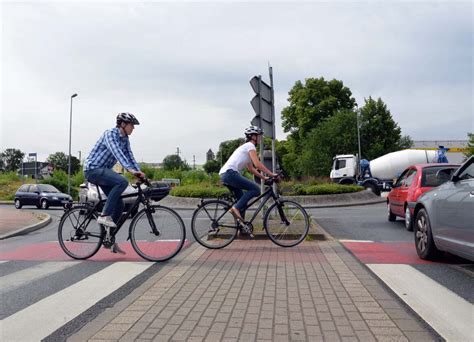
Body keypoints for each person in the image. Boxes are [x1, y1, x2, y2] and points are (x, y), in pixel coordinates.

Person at [84, 112, 145, 253]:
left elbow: (130, 156)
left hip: (103, 171)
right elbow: (117, 152)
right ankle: (104, 215)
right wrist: (130, 171)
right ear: (123, 124)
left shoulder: (125, 139)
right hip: (93, 169)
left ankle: (109, 239)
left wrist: (139, 172)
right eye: (132, 125)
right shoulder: (110, 134)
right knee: (122, 182)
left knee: (119, 205)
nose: (133, 128)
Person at [219, 126, 277, 233]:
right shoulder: (250, 146)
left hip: (226, 174)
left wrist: (264, 177)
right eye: (259, 135)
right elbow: (258, 164)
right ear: (253, 136)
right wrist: (272, 174)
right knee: (255, 189)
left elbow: (251, 168)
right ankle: (235, 208)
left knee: (242, 202)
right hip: (230, 173)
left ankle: (241, 228)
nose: (260, 138)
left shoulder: (246, 148)